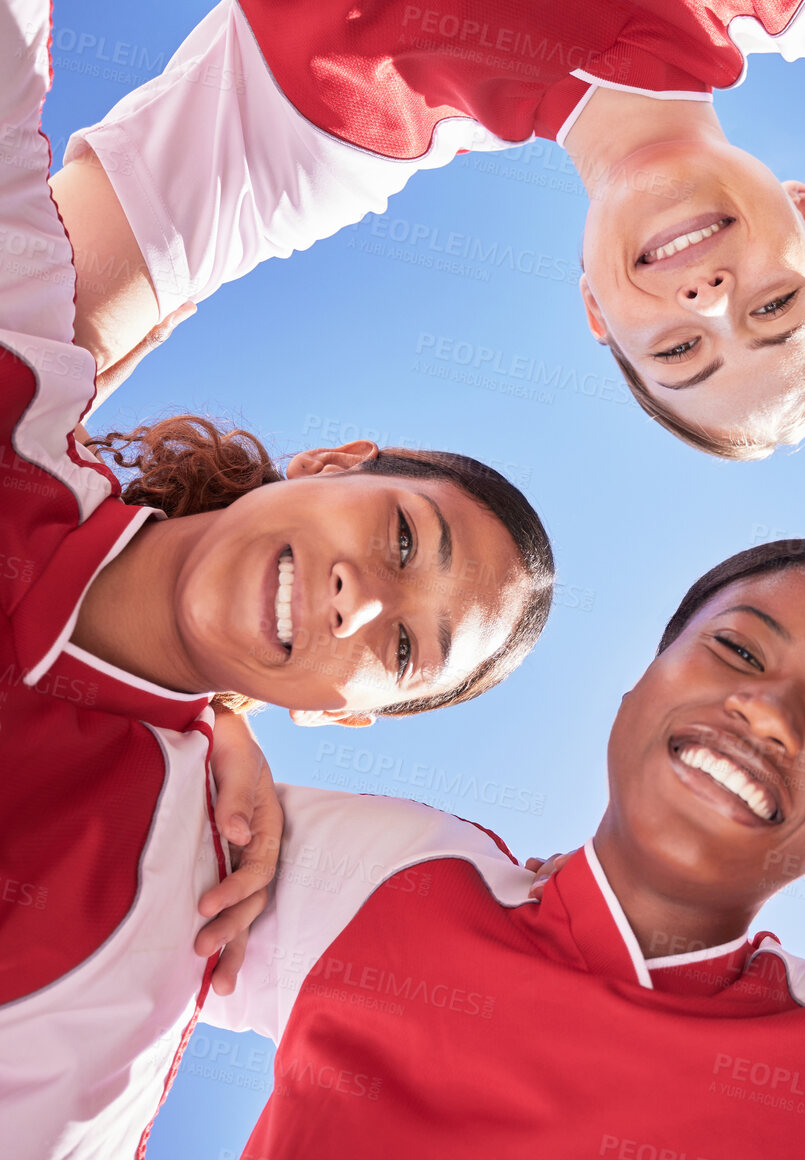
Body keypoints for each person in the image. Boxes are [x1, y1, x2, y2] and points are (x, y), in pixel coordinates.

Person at [0, 10, 556, 1153]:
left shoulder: (153, 910)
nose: (367, 599)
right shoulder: (20, 368)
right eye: (405, 539)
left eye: (405, 648)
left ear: (340, 711)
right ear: (333, 463)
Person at [187, 538, 805, 1157]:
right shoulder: (393, 875)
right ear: (639, 687)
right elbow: (71, 804)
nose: (769, 715)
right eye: (737, 651)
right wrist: (194, 716)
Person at [54, 0, 805, 460]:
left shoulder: (345, 121)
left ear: (594, 307)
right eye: (774, 305)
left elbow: (43, 329)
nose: (710, 300)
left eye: (679, 348)